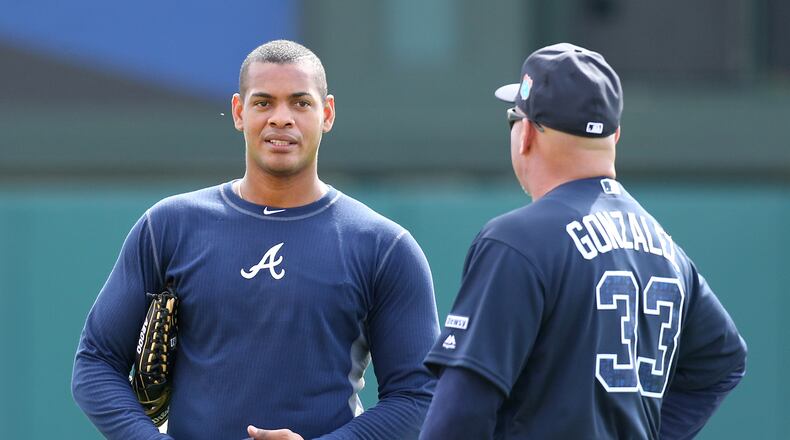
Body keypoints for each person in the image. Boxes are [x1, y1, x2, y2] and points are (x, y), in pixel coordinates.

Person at [72, 39, 440, 440]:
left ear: (327, 113)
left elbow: (417, 396)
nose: (281, 118)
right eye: (264, 102)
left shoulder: (383, 246)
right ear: (238, 112)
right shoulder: (169, 227)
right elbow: (96, 363)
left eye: (300, 103)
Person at [420, 43, 747, 439]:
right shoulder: (665, 248)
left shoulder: (516, 240)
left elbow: (459, 415)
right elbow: (722, 361)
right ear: (616, 135)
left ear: (525, 133)